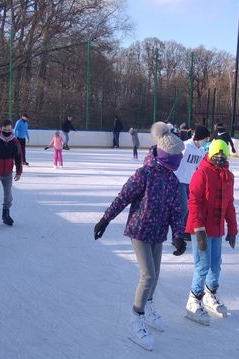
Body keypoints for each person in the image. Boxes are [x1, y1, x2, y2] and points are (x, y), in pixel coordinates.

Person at [93, 121, 187, 351]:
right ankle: (136, 319)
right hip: (139, 229)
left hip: (158, 232)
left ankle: (149, 306)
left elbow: (177, 211)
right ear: (166, 155)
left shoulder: (172, 180)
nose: (179, 161)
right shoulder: (144, 174)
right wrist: (106, 219)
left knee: (155, 276)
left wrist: (178, 236)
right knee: (148, 275)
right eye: (176, 156)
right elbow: (123, 197)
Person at [185, 139, 238, 326]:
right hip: (200, 227)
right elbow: (193, 202)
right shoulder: (202, 173)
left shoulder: (228, 176)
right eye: (217, 155)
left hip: (216, 228)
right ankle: (193, 300)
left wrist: (232, 228)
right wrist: (199, 230)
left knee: (216, 264)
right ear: (209, 155)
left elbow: (229, 204)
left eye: (223, 156)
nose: (220, 159)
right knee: (203, 265)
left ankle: (209, 295)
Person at [174, 125, 211, 241]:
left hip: (191, 182)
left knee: (191, 208)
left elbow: (200, 166)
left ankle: (185, 231)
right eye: (205, 139)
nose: (206, 142)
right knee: (183, 208)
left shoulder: (201, 151)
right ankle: (177, 233)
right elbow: (175, 161)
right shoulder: (185, 146)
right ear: (200, 138)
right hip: (179, 180)